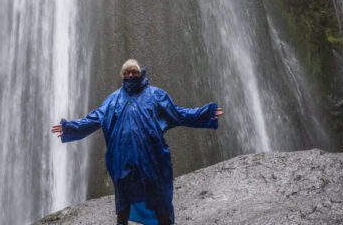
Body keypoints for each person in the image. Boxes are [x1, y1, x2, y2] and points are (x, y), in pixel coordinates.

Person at [51, 59, 224, 225]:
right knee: (123, 195)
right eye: (127, 73)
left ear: (140, 73)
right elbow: (93, 119)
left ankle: (163, 221)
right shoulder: (114, 99)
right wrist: (69, 127)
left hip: (151, 156)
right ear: (122, 76)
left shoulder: (155, 95)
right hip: (122, 158)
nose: (131, 75)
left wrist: (205, 113)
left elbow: (178, 113)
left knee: (156, 190)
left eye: (134, 71)